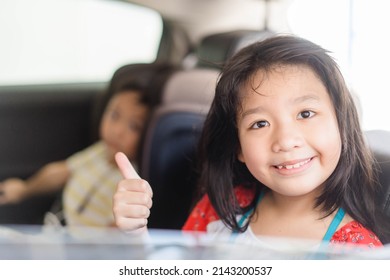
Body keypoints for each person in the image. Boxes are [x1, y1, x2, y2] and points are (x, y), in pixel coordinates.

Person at [112, 35, 390, 247]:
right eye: (260, 124)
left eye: (305, 114)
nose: (285, 140)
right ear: (238, 147)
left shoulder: (356, 251)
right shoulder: (219, 211)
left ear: (342, 124)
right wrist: (136, 236)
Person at [0, 63, 173, 227]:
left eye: (134, 126)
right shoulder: (100, 151)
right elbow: (60, 172)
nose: (117, 130)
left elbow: (117, 235)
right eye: (114, 115)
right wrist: (25, 189)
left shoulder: (133, 184)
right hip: (57, 226)